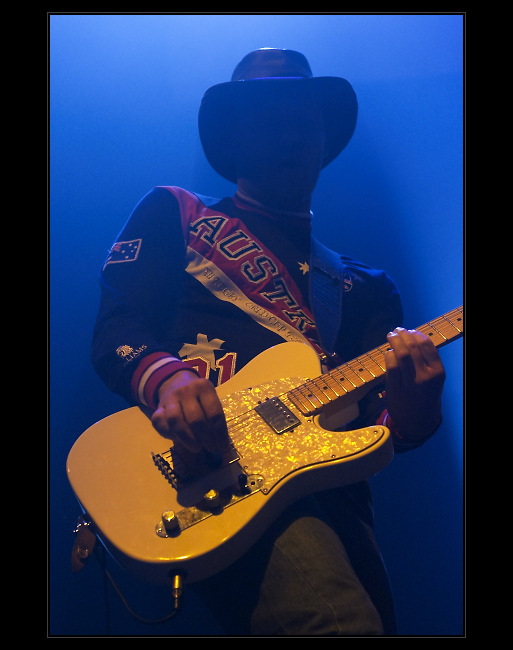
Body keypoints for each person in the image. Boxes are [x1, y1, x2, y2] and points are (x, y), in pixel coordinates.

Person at [92, 48, 446, 636]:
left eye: (304, 120)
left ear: (325, 140)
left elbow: (379, 427)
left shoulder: (368, 287)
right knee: (339, 626)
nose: (290, 134)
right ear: (233, 138)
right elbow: (117, 324)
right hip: (213, 470)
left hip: (337, 499)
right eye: (267, 118)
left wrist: (417, 410)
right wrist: (171, 379)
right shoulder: (177, 212)